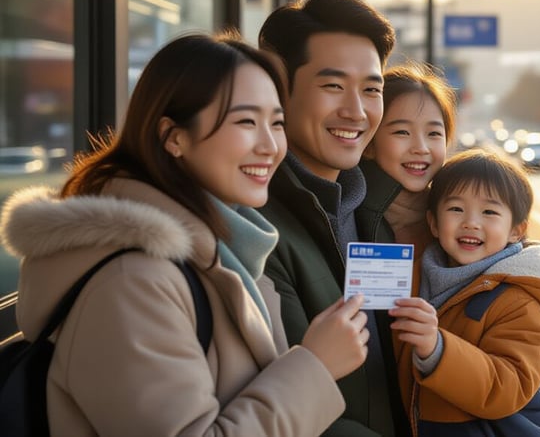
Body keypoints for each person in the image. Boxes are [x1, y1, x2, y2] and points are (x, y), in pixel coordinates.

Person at [0, 32, 371, 436]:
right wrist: (315, 367)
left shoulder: (230, 251)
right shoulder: (133, 281)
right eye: (246, 121)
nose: (270, 146)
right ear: (173, 136)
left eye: (276, 123)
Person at [257, 0, 409, 436]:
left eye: (371, 90)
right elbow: (280, 408)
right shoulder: (257, 228)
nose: (356, 110)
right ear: (279, 90)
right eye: (333, 85)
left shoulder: (376, 210)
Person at [388, 148, 540, 436]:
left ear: (516, 230)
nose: (471, 222)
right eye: (456, 209)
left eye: (489, 212)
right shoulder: (415, 277)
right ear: (433, 223)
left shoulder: (520, 301)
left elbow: (509, 386)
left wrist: (438, 350)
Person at [355, 61, 459, 288]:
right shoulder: (346, 217)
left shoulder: (460, 218)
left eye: (434, 133)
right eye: (402, 132)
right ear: (369, 143)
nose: (421, 148)